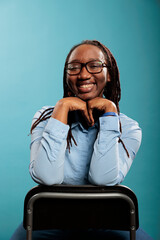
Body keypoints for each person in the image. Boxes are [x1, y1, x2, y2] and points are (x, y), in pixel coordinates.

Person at [10, 40, 153, 239]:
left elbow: (103, 179)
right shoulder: (44, 118)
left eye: (94, 65)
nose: (84, 74)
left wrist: (110, 113)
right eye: (74, 67)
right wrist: (61, 108)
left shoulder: (128, 128)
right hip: (49, 224)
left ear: (109, 73)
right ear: (66, 75)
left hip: (110, 224)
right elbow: (46, 178)